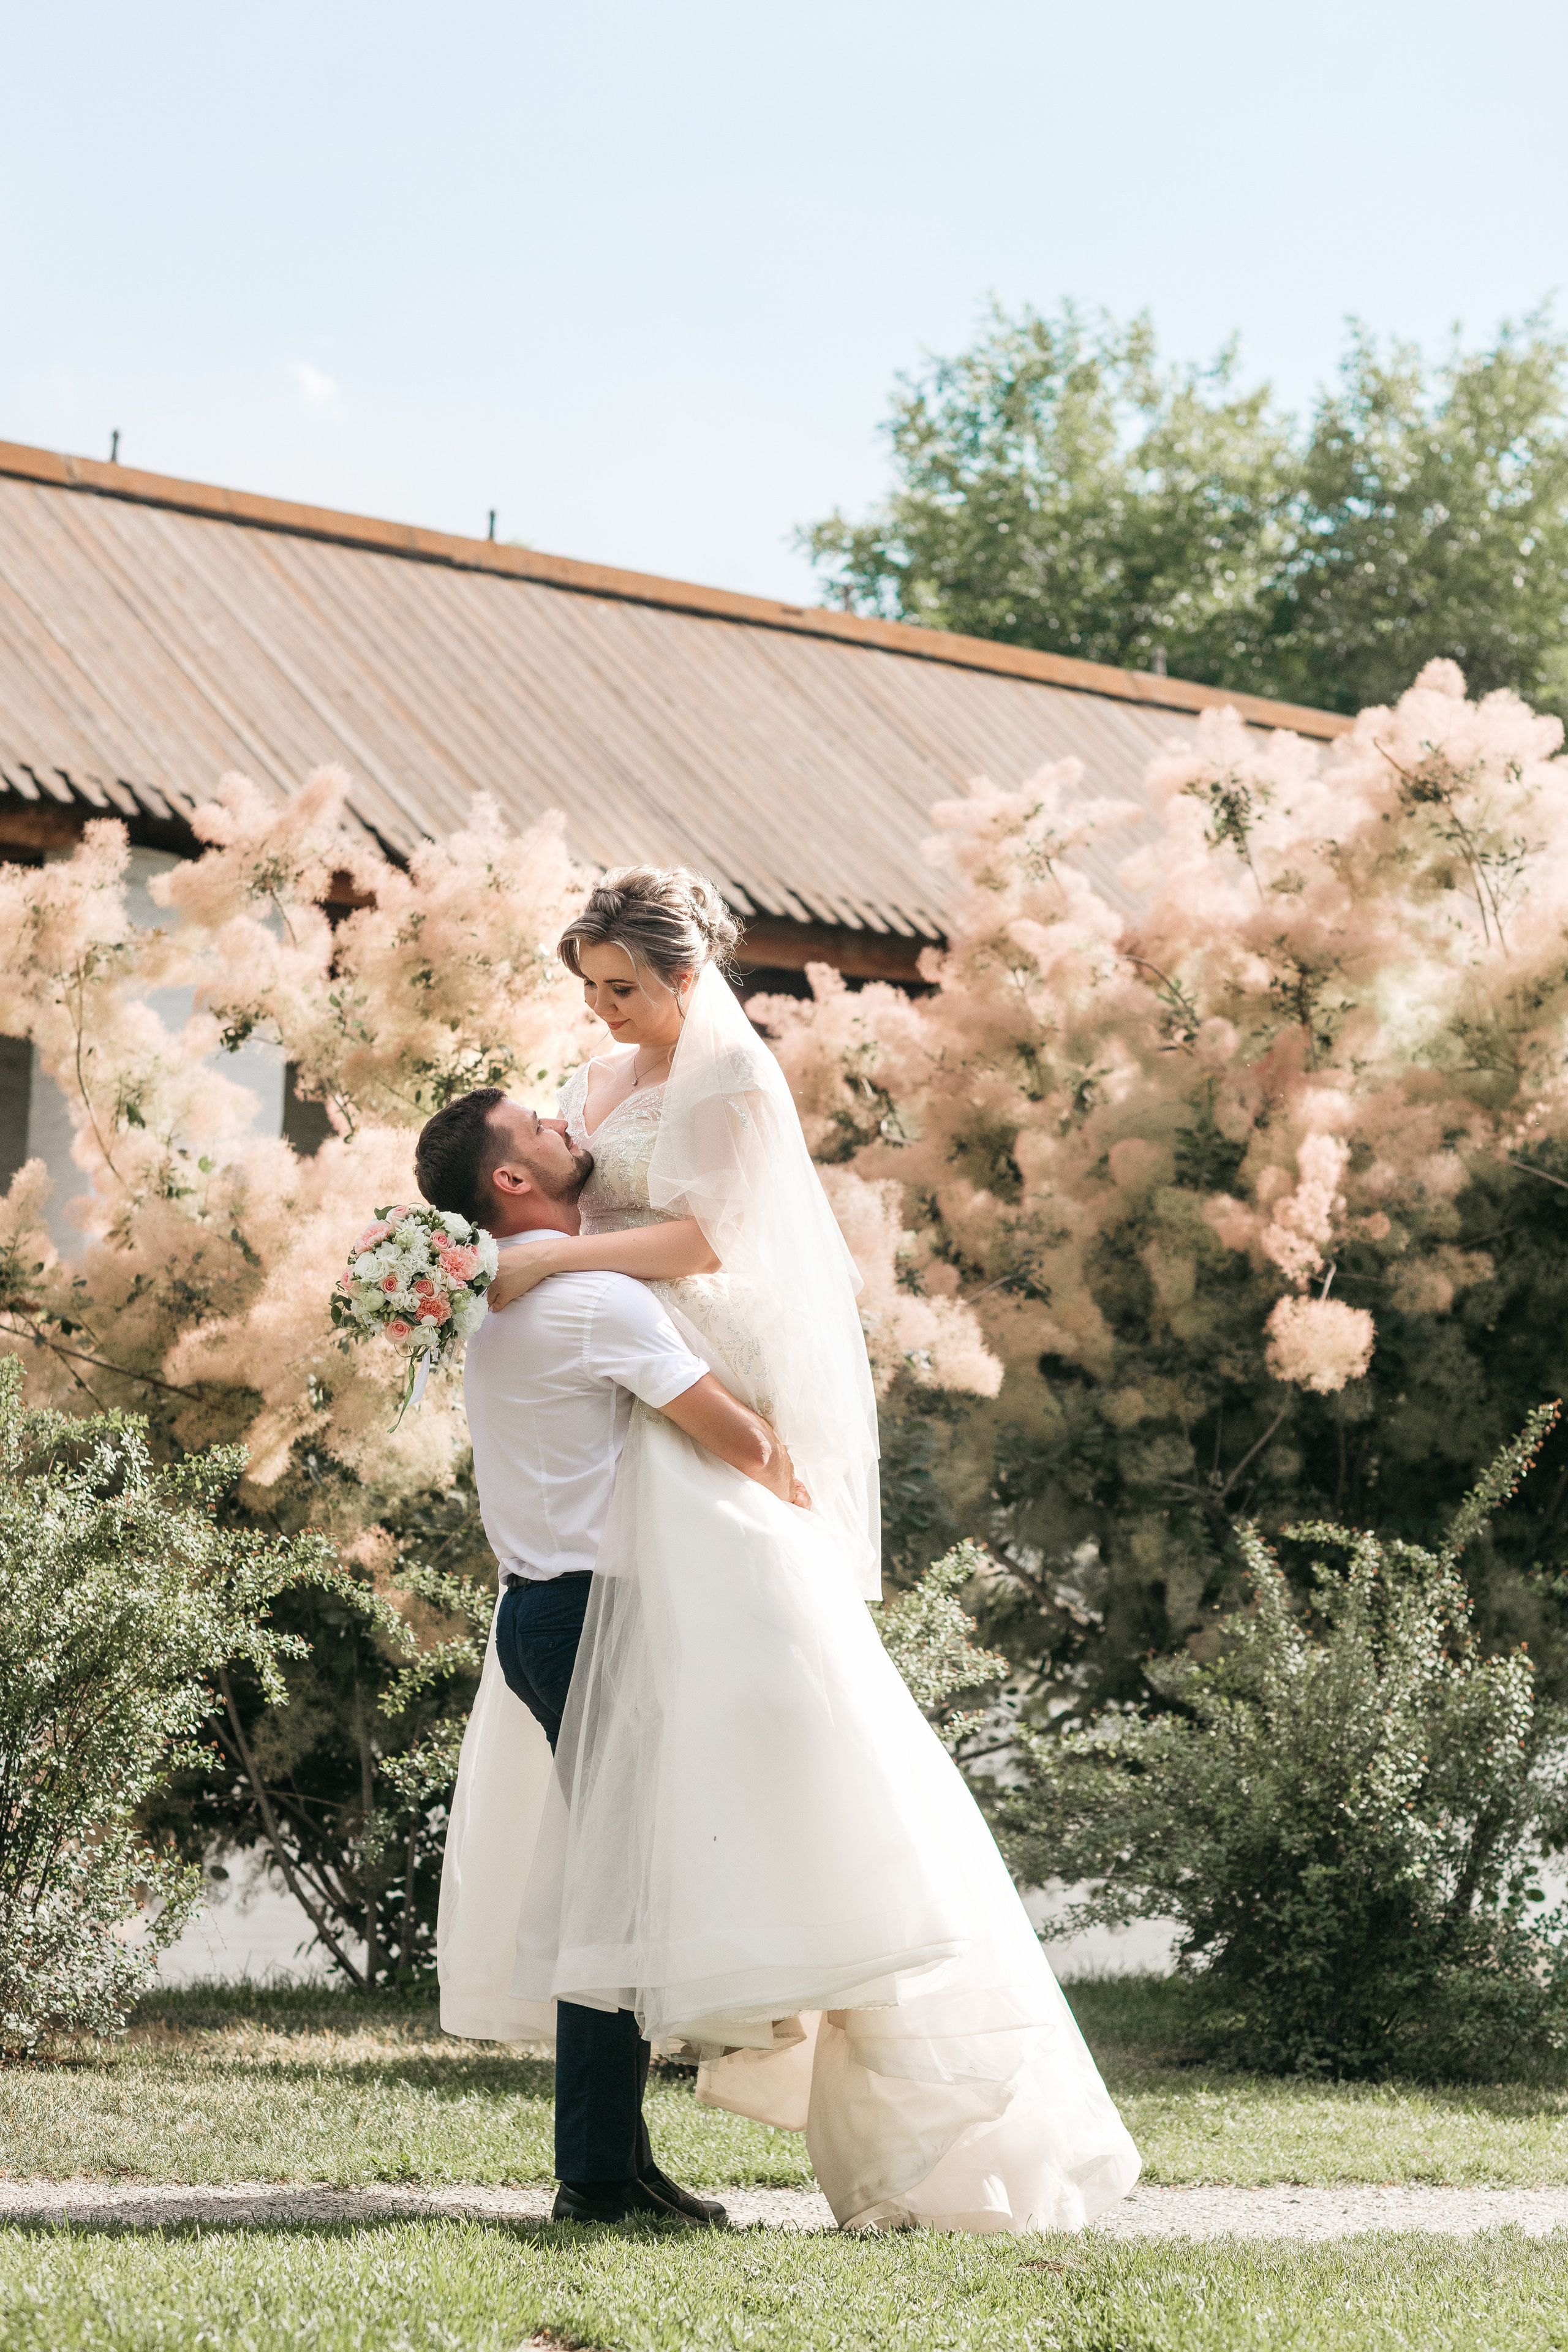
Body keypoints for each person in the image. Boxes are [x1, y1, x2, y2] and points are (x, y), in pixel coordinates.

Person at [428, 867, 1140, 2234]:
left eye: (623, 987)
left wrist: (553, 1266)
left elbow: (712, 1238)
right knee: (624, 1846)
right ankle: (613, 2154)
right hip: (625, 1423)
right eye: (590, 988)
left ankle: (655, 2135)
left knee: (719, 1804)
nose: (601, 1011)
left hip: (671, 1382)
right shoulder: (588, 1091)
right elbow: (557, 1214)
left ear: (685, 975)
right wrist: (535, 1271)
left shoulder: (734, 1086)